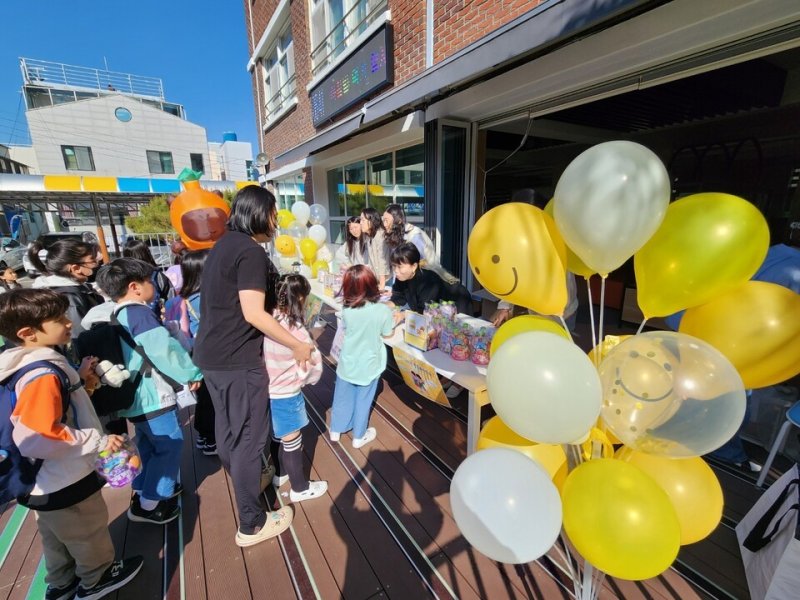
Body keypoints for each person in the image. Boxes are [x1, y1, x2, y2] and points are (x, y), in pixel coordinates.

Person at [0, 288, 143, 599]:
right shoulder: (43, 375)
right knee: (86, 530)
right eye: (58, 319)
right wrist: (98, 439)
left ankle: (62, 582)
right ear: (28, 333)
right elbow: (39, 436)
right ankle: (96, 577)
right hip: (64, 478)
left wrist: (80, 382)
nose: (68, 322)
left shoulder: (20, 362)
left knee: (56, 536)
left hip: (40, 482)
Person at [193, 185, 312, 547]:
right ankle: (252, 522)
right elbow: (253, 313)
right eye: (274, 214)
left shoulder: (224, 245)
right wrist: (297, 344)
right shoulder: (249, 251)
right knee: (249, 438)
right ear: (259, 213)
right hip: (237, 360)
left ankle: (248, 484)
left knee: (229, 432)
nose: (276, 222)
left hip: (212, 357)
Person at [96, 258, 203, 525]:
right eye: (149, 281)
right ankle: (151, 504)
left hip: (135, 396)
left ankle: (144, 489)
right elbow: (164, 351)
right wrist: (192, 373)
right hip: (152, 394)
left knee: (147, 445)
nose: (153, 285)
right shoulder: (139, 314)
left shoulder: (117, 313)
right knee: (169, 445)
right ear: (135, 287)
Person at [264, 274, 326, 502]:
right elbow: (312, 368)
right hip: (287, 393)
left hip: (266, 390)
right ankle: (300, 488)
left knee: (278, 436)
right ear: (300, 298)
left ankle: (279, 474)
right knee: (292, 441)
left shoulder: (267, 319)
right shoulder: (297, 332)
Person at [329, 265, 397, 448]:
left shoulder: (347, 308)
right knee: (363, 400)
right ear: (371, 285)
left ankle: (335, 430)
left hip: (347, 361)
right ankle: (359, 436)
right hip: (369, 363)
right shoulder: (382, 310)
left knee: (341, 396)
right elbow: (388, 333)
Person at [164, 250, 217, 455]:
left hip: (189, 352)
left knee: (202, 396)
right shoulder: (204, 298)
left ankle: (203, 436)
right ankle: (210, 438)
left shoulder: (176, 299)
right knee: (211, 398)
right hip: (208, 352)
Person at [28, 239, 105, 339]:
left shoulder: (76, 288)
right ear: (75, 268)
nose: (97, 263)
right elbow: (78, 336)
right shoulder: (70, 298)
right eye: (93, 260)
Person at [388, 243, 472, 314]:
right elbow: (397, 299)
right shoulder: (401, 278)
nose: (396, 271)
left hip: (458, 302)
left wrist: (403, 315)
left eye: (399, 267)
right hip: (437, 312)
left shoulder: (428, 281)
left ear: (414, 266)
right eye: (394, 266)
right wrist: (383, 306)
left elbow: (423, 311)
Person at [122, 239, 174, 319]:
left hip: (129, 318)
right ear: (147, 254)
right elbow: (171, 298)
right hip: (154, 319)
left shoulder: (122, 277)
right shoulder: (157, 275)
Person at [359, 208, 390, 288]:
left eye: (363, 220)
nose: (360, 223)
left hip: (386, 280)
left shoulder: (380, 235)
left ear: (371, 221)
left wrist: (382, 284)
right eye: (360, 220)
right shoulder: (369, 235)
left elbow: (383, 260)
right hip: (378, 278)